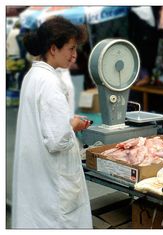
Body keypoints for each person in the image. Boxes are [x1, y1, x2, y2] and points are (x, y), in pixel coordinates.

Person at [12, 16, 93, 228]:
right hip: (54, 185)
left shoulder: (34, 75)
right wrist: (73, 125)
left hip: (39, 178)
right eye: (71, 49)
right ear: (53, 48)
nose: (75, 55)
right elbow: (57, 140)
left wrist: (69, 123)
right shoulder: (49, 83)